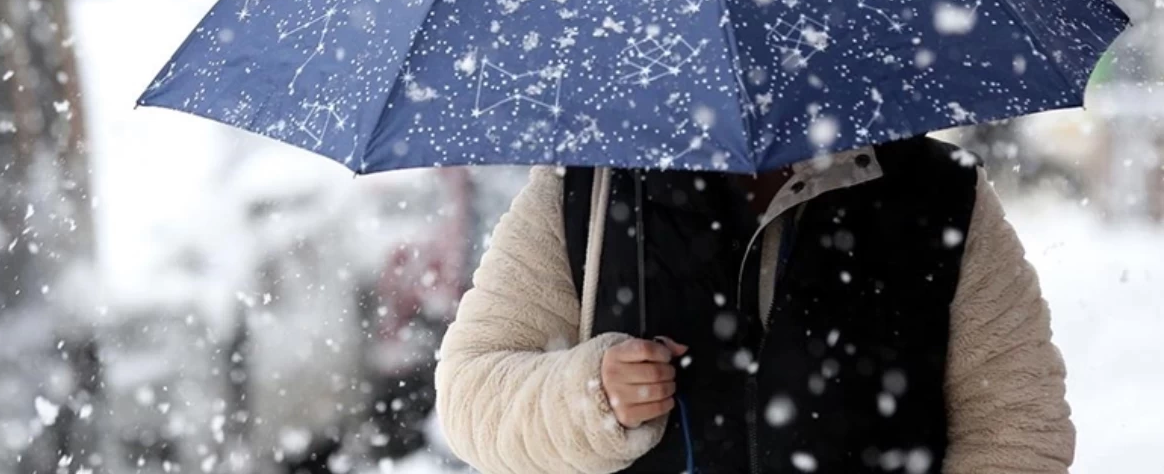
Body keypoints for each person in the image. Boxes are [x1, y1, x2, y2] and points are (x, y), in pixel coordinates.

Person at [434, 136, 1073, 474]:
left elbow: (1017, 428)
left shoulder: (936, 193)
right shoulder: (589, 187)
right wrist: (590, 395)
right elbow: (471, 394)